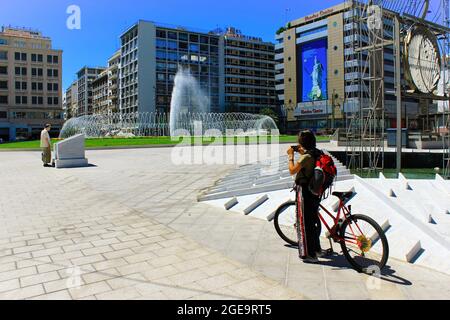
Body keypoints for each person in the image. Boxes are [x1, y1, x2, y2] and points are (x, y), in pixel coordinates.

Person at [287, 130, 323, 263]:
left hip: (305, 192)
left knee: (305, 223)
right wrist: (302, 152)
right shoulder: (316, 152)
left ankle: (311, 255)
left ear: (301, 143)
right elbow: (308, 160)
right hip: (315, 191)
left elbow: (292, 170)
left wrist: (291, 156)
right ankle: (317, 249)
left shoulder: (306, 157)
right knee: (312, 221)